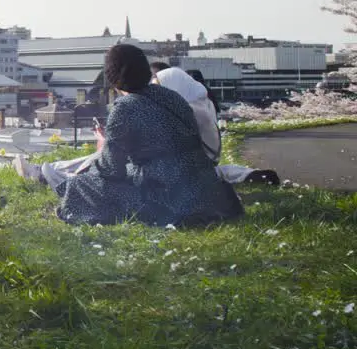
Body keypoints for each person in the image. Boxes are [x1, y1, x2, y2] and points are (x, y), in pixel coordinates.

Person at [50, 44, 244, 226]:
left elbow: (111, 170)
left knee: (79, 184)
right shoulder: (171, 96)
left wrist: (93, 165)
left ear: (112, 76)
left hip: (167, 195)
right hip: (205, 189)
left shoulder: (125, 108)